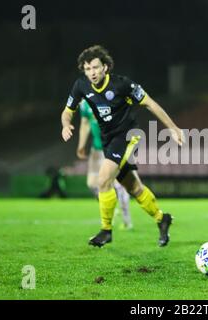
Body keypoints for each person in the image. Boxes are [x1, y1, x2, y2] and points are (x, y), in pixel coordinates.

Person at [61, 45, 184, 247]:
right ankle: (162, 219)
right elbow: (67, 111)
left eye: (95, 67)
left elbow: (150, 103)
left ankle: (106, 230)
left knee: (103, 179)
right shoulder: (81, 86)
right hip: (109, 140)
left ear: (105, 67)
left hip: (127, 136)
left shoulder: (122, 84)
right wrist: (66, 124)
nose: (92, 72)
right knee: (134, 187)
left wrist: (173, 128)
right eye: (87, 69)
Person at [77, 99, 133, 230]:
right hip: (96, 149)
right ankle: (111, 210)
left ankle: (126, 219)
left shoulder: (109, 97)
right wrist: (81, 145)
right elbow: (85, 124)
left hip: (111, 148)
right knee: (92, 183)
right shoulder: (84, 104)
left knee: (118, 184)